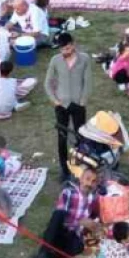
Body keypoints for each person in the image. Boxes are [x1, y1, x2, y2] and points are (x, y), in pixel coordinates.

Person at [31, 161, 101, 258]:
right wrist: (80, 220)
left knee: (79, 247)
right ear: (81, 179)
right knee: (57, 215)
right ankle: (43, 252)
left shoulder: (94, 199)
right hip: (60, 229)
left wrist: (94, 225)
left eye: (94, 181)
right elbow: (61, 215)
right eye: (88, 179)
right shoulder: (69, 192)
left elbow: (94, 217)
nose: (90, 183)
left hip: (73, 235)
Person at [45, 35, 91, 175]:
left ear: (73, 44)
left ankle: (80, 165)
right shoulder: (55, 60)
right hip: (61, 105)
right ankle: (64, 169)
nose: (66, 51)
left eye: (68, 47)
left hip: (78, 104)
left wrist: (83, 100)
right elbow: (47, 83)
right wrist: (54, 100)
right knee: (62, 137)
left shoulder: (84, 59)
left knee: (81, 136)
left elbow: (88, 82)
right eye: (63, 49)